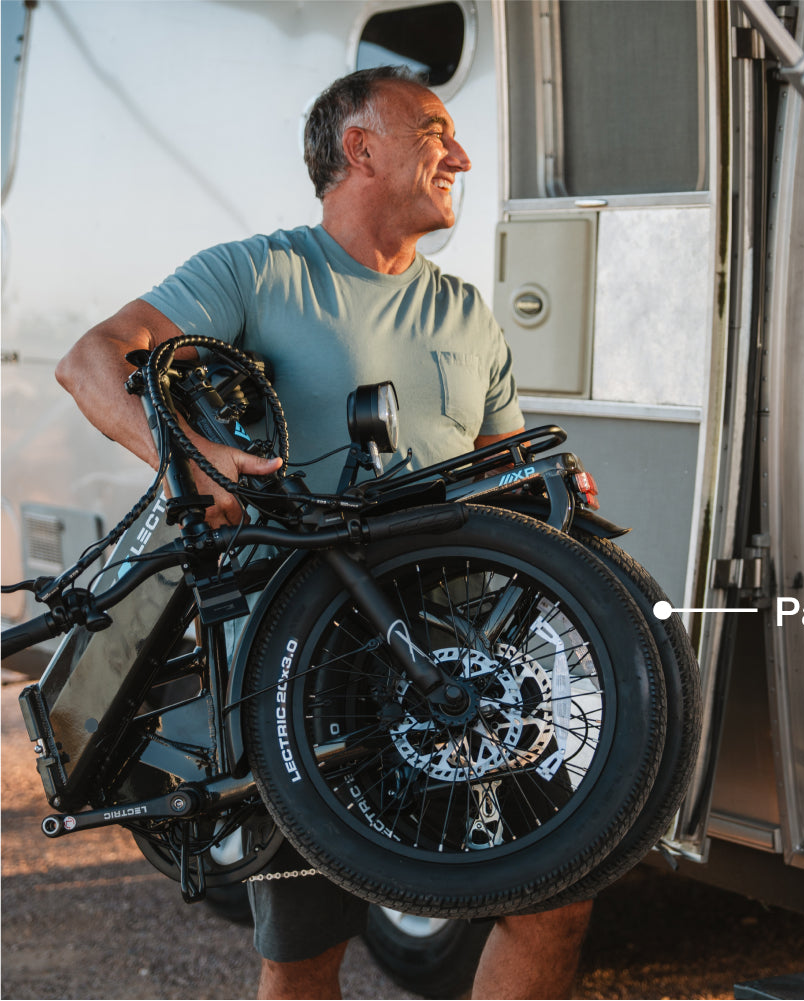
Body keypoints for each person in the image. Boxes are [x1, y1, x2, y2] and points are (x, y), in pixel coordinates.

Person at [55, 66, 593, 1000]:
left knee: (554, 893)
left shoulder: (464, 312)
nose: (461, 156)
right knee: (306, 950)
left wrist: (557, 500)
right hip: (304, 667)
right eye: (435, 133)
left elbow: (507, 477)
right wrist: (188, 457)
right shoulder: (260, 272)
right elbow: (92, 360)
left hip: (459, 666)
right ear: (361, 147)